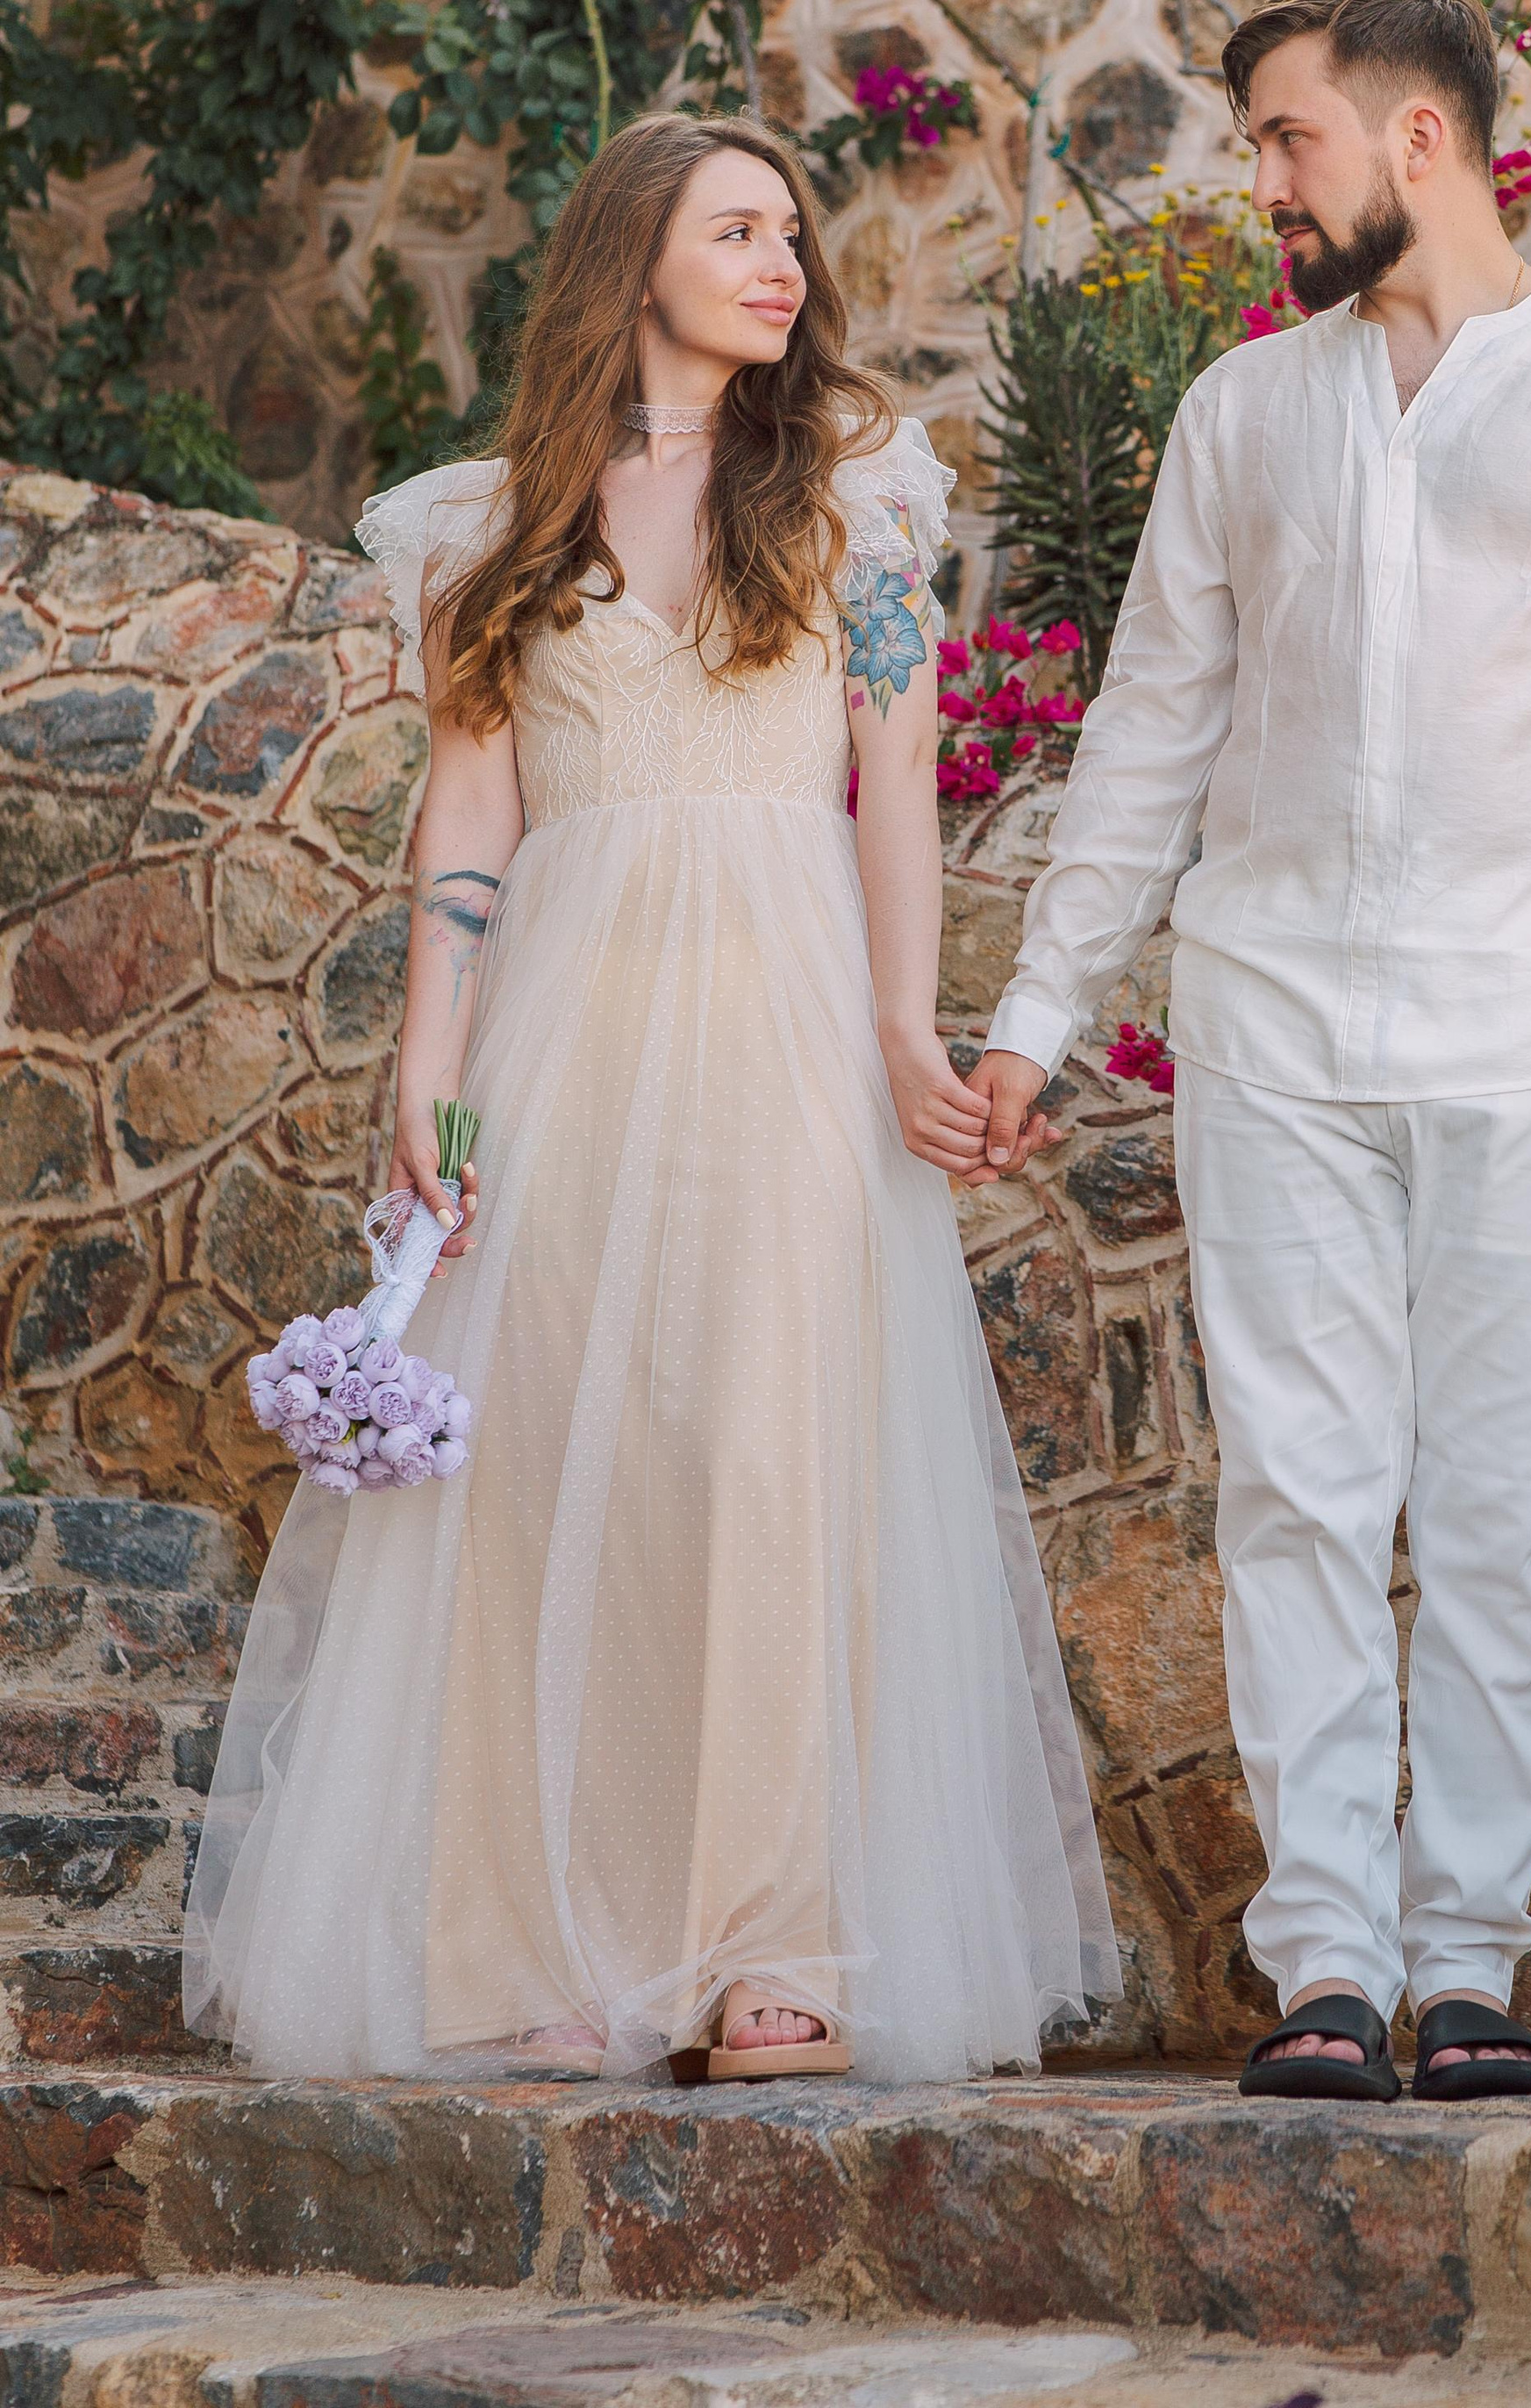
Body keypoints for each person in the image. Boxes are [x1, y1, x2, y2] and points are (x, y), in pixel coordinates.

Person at [185, 111, 1117, 2085]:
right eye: (735, 229)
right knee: (545, 1472)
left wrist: (899, 1029)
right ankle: (549, 1938)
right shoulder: (482, 531)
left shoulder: (858, 499)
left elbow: (895, 780)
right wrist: (424, 1071)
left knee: (769, 1448)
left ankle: (778, 1943)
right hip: (568, 1017)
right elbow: (466, 812)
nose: (781, 261)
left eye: (790, 229)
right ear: (637, 262)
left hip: (782, 1007)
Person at [971, 0, 1531, 2103]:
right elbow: (1148, 733)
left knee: (1505, 1508)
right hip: (1272, 1031)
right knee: (1299, 1502)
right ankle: (1324, 1959)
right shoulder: (1247, 413)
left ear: (1417, 139)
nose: (1261, 184)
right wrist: (1038, 1010)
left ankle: (1467, 1964)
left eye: (1282, 140)